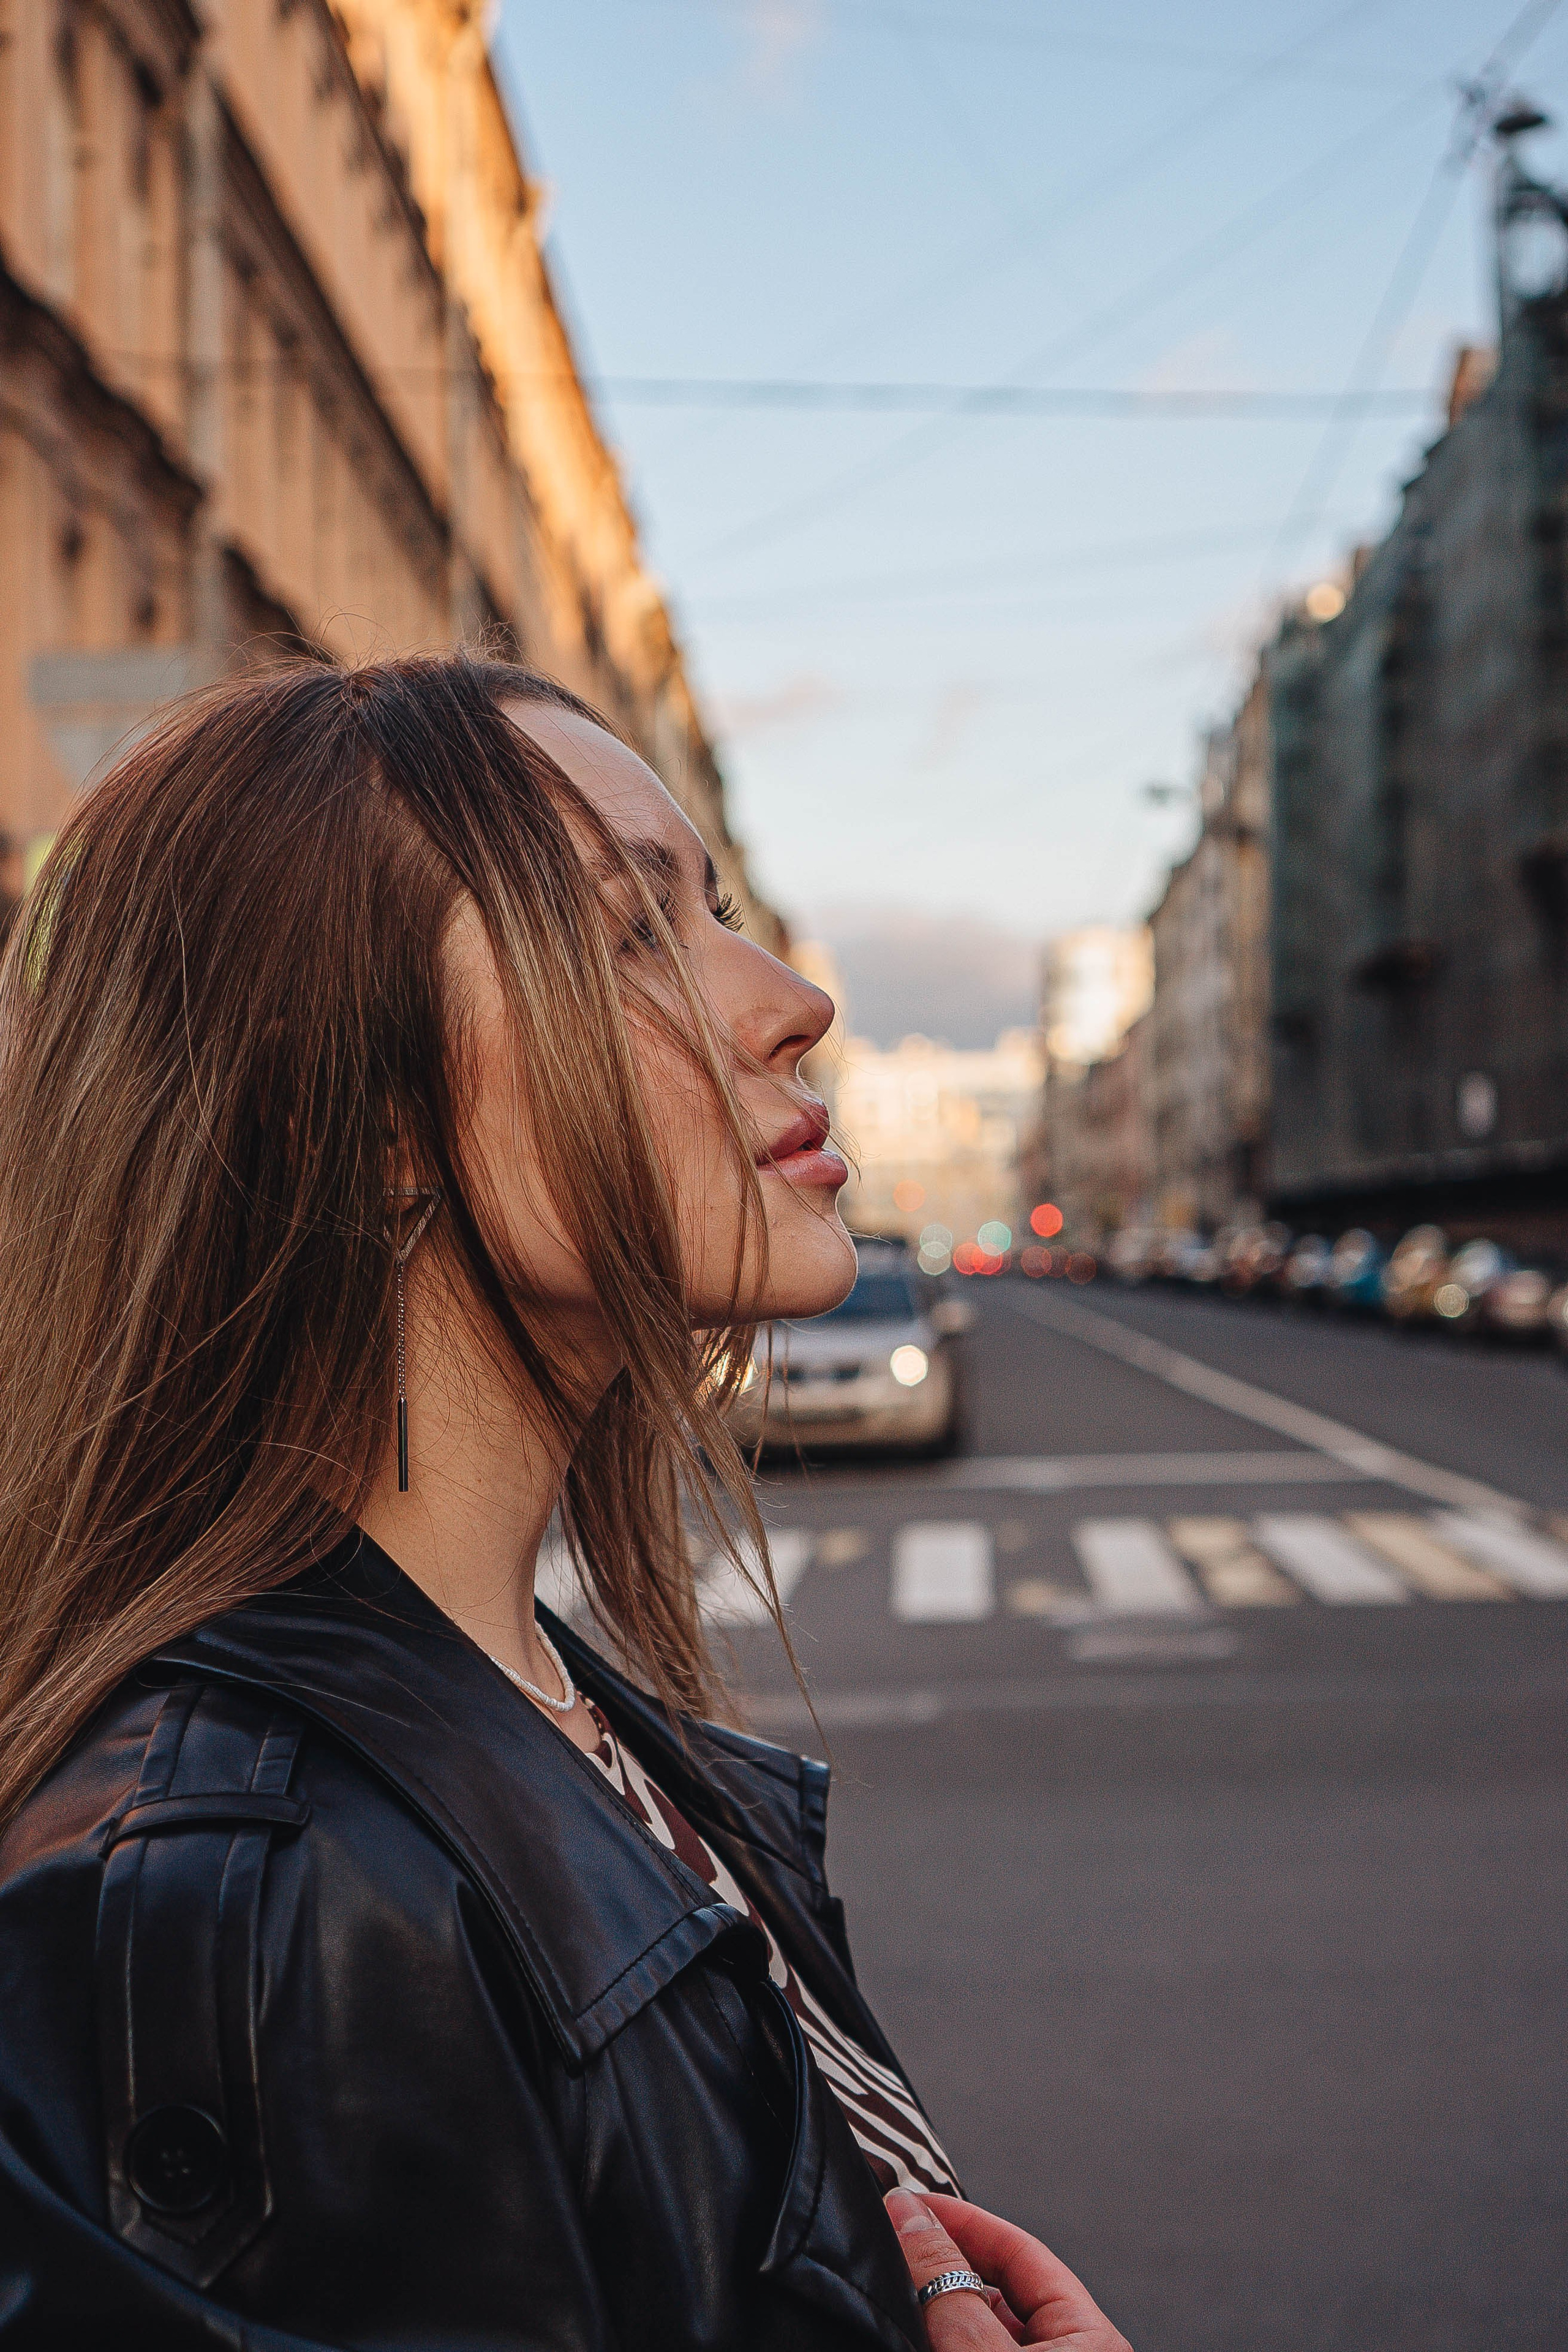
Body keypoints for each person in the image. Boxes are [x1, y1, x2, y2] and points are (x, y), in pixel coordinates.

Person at [0, 654, 1130, 2351]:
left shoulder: (534, 1713)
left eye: (720, 908)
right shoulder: (272, 1900)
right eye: (630, 931)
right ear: (371, 1109)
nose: (791, 998)